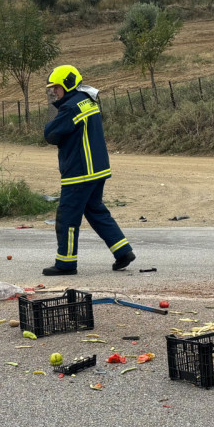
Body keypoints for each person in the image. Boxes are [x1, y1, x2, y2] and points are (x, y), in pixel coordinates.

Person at [41, 65, 135, 276]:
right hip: (97, 169)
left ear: (67, 84)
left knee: (67, 218)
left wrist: (51, 124)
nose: (54, 92)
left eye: (56, 87)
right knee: (96, 211)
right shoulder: (87, 100)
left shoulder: (71, 107)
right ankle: (123, 251)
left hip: (80, 171)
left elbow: (51, 134)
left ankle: (66, 263)